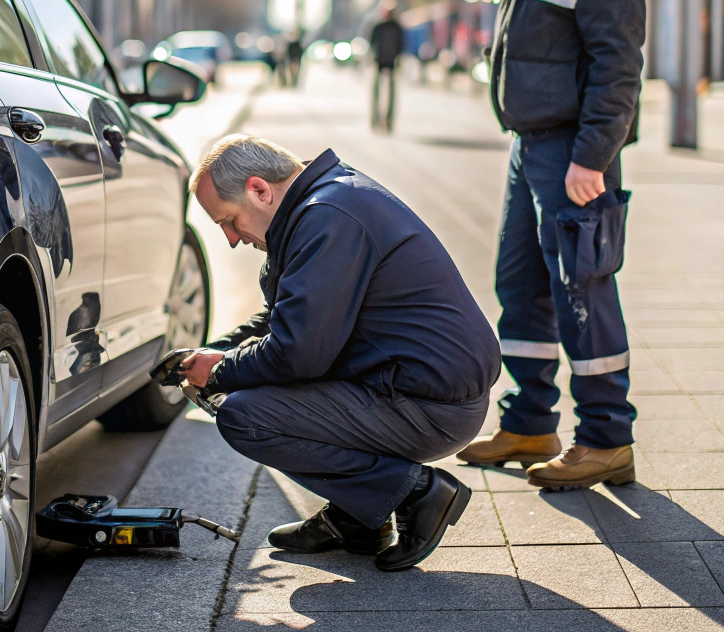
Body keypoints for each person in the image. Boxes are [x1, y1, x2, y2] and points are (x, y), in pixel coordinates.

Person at [182, 134, 500, 571]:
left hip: (429, 407)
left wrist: (219, 373)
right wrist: (219, 350)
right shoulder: (325, 201)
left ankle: (418, 493)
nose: (232, 238)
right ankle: (357, 519)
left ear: (259, 189)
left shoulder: (326, 219)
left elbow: (298, 354)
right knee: (265, 387)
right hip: (413, 388)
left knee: (244, 415)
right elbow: (291, 316)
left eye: (229, 220)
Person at [456, 0, 645, 489]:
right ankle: (530, 420)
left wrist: (592, 157)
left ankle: (606, 439)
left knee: (581, 291)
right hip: (530, 145)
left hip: (572, 150)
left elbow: (617, 65)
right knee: (522, 287)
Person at [369, 0, 403, 131]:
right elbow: (372, 43)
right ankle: (375, 119)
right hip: (379, 61)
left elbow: (400, 45)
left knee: (391, 93)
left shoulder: (397, 27)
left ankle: (388, 121)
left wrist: (399, 59)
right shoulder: (378, 26)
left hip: (392, 61)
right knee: (376, 91)